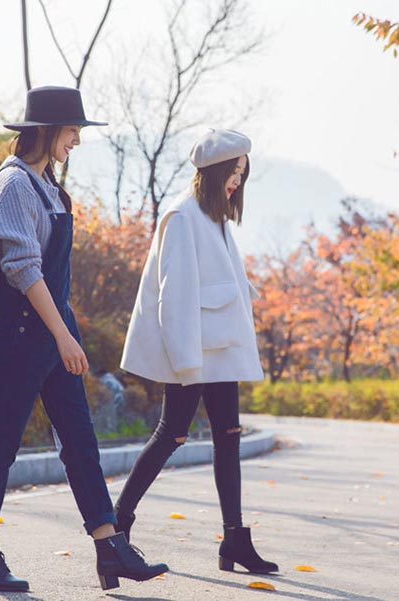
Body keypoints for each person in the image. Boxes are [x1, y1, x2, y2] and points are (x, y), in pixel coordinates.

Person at [0, 85, 167, 592]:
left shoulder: (47, 185)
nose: (78, 139)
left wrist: (66, 333)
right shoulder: (13, 184)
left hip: (53, 330)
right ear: (50, 130)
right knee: (0, 440)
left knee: (80, 440)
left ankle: (108, 544)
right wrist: (63, 334)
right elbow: (22, 268)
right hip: (22, 331)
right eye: (74, 130)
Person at [118, 129, 279, 574]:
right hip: (194, 353)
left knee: (228, 438)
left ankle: (235, 541)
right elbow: (176, 296)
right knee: (171, 434)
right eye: (232, 172)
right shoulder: (184, 216)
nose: (236, 181)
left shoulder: (214, 216)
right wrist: (186, 362)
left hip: (219, 350)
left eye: (242, 173)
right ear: (211, 172)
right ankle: (117, 524)